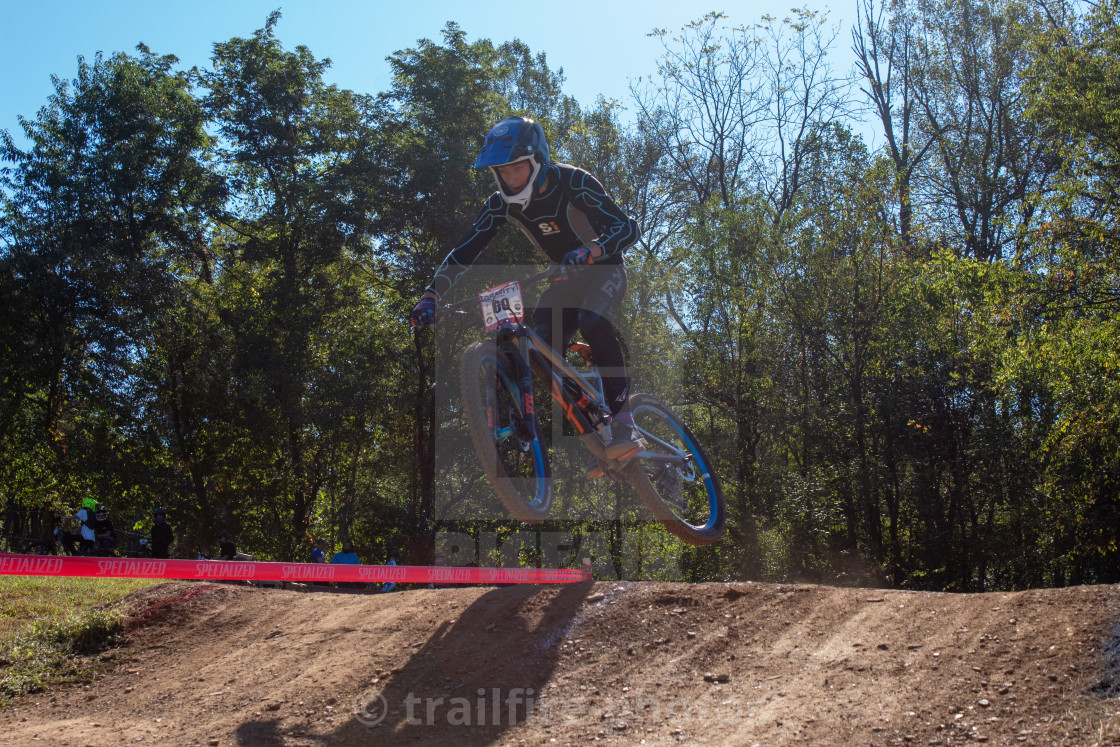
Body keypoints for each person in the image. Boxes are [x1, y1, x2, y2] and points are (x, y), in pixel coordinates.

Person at [410, 115, 646, 469]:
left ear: (537, 161)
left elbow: (628, 228)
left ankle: (625, 421)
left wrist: (591, 250)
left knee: (592, 320)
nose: (510, 178)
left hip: (605, 268)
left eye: (517, 168)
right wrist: (431, 295)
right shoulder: (500, 204)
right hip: (564, 279)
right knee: (540, 352)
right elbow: (465, 251)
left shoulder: (573, 181)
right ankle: (599, 435)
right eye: (502, 171)